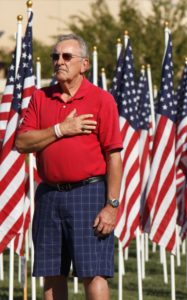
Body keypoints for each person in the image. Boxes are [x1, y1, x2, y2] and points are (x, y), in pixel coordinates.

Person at [15, 34, 123, 300]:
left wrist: (112, 205)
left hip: (88, 194)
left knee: (93, 273)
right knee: (51, 273)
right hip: (49, 194)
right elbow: (21, 141)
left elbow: (114, 156)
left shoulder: (101, 100)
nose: (59, 62)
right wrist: (61, 129)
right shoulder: (41, 98)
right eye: (55, 56)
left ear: (84, 64)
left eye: (66, 57)